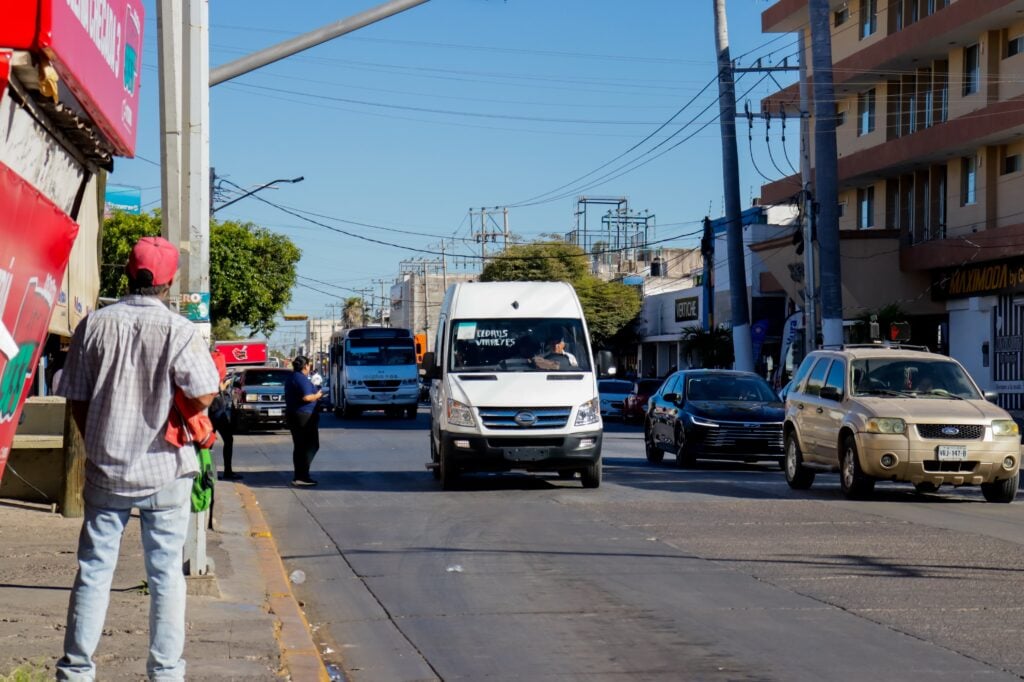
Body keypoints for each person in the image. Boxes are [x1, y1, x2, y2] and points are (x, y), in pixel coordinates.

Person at [56, 236, 220, 681]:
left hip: (105, 469)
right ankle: (165, 674)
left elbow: (75, 397)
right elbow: (204, 392)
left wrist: (99, 439)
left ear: (128, 272)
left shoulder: (93, 326)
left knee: (93, 570)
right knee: (166, 575)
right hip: (165, 468)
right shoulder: (179, 330)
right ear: (169, 281)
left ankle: (75, 672)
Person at [285, 355, 323, 487]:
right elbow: (307, 397)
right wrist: (318, 395)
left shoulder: (293, 377)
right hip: (303, 416)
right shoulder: (300, 378)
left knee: (300, 446)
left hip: (296, 414)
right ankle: (302, 474)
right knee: (310, 445)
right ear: (305, 366)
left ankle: (300, 474)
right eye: (309, 365)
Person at [208, 348, 240, 480]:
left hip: (208, 410)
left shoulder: (205, 372)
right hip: (218, 410)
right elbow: (219, 388)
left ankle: (208, 472)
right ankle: (227, 470)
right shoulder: (218, 374)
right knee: (228, 439)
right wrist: (225, 384)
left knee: (208, 443)